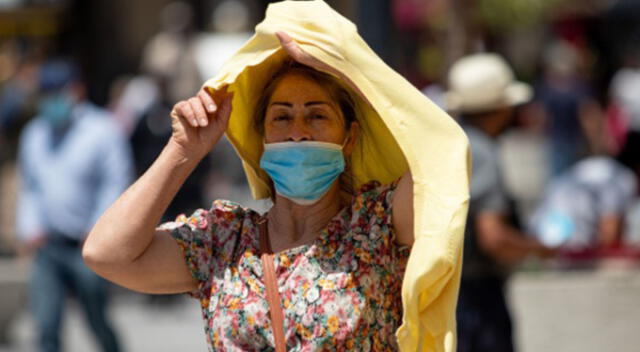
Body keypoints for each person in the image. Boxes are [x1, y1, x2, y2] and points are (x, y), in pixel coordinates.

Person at [83, 1, 471, 351]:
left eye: (317, 115)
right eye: (281, 117)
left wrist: (353, 73)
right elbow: (106, 254)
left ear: (349, 138)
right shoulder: (225, 243)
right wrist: (183, 151)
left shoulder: (378, 227)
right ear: (263, 138)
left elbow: (444, 151)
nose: (298, 131)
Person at [16, 59, 130, 352]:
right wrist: (30, 227)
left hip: (88, 247)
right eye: (46, 94)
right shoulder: (34, 134)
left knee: (96, 320)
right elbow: (30, 188)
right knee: (46, 325)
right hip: (48, 246)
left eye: (57, 92)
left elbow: (116, 184)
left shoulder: (102, 130)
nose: (51, 101)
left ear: (76, 90)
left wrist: (98, 227)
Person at [446, 53, 554, 352]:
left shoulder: (452, 141)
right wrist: (538, 249)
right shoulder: (482, 153)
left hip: (447, 292)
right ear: (502, 107)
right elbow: (493, 238)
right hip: (475, 295)